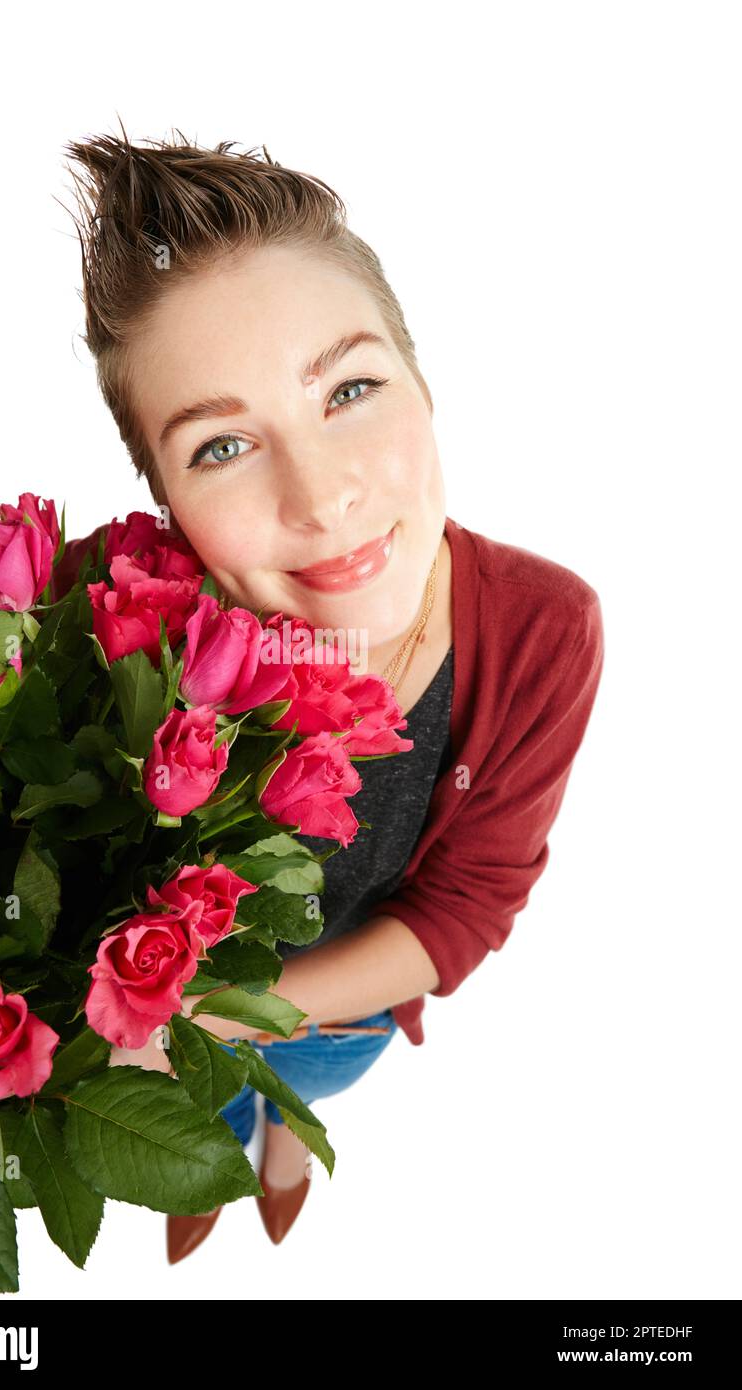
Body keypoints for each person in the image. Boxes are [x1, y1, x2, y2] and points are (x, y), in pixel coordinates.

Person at [55, 122, 604, 1261]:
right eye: (218, 446)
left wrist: (208, 1016)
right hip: (156, 1037)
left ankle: (286, 1145)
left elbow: (464, 908)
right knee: (201, 1110)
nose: (321, 498)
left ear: (423, 380)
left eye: (349, 387)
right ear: (161, 494)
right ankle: (208, 1151)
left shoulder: (544, 630)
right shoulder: (114, 625)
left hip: (341, 1011)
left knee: (305, 1086)